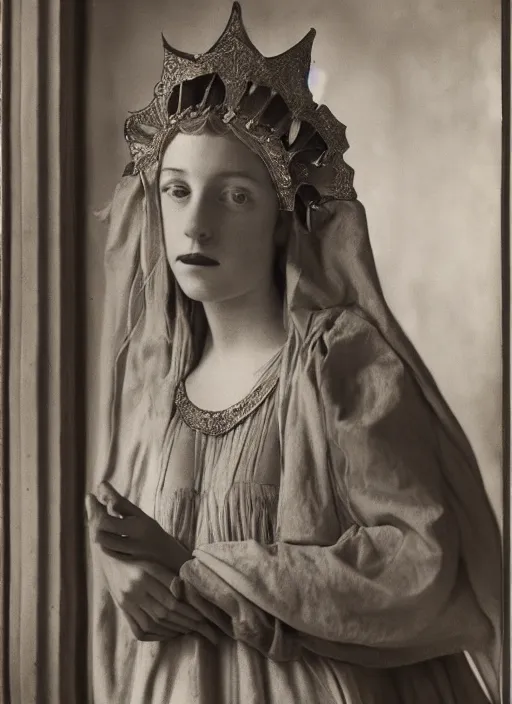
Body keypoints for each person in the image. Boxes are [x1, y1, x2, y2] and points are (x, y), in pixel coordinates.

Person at [86, 4, 502, 702]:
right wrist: (120, 567)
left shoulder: (342, 365)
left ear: (283, 222)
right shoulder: (155, 384)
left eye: (236, 196)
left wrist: (203, 571)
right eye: (178, 191)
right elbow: (131, 541)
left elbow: (417, 565)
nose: (197, 224)